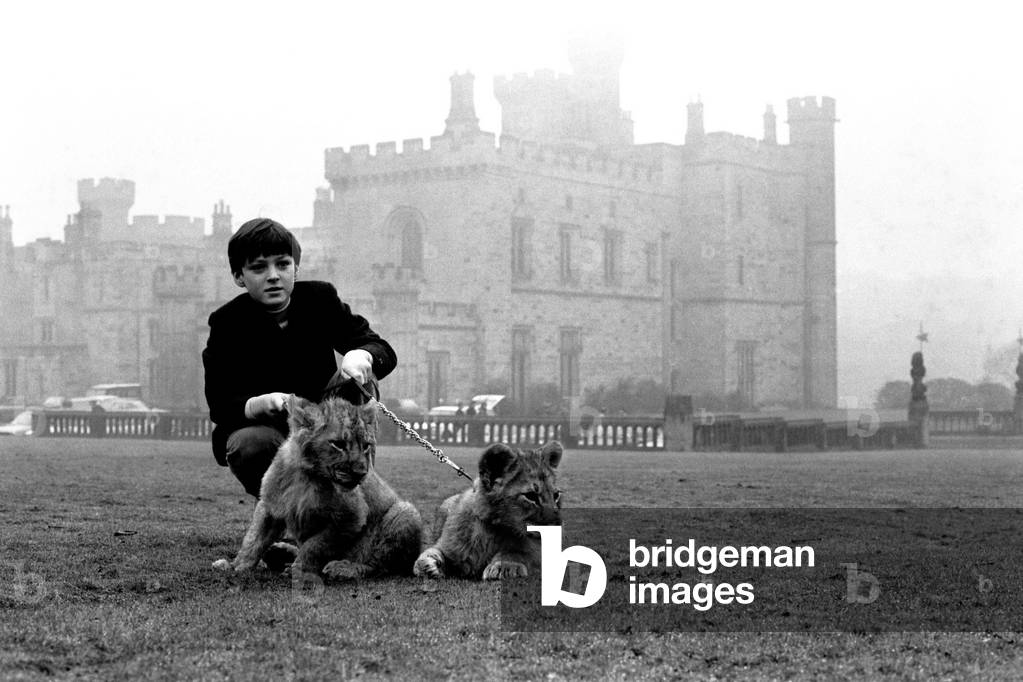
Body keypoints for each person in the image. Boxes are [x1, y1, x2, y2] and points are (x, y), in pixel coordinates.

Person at [202, 217, 397, 497]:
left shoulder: (321, 298)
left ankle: (358, 491)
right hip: (270, 430)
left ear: (296, 268)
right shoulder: (226, 322)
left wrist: (361, 354)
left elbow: (382, 349)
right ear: (238, 276)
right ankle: (283, 513)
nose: (273, 275)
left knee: (359, 379)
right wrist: (259, 403)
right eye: (258, 268)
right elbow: (219, 404)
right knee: (249, 444)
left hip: (326, 419)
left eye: (282, 264)